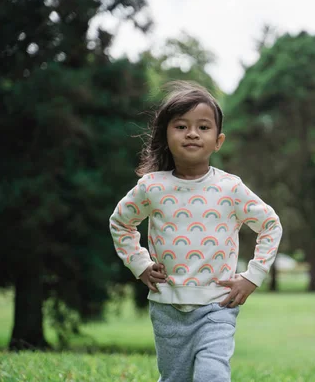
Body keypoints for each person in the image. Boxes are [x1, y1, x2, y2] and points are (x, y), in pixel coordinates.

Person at [109, 81, 282, 382]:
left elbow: (270, 225)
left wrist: (252, 276)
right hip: (167, 306)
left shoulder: (231, 188)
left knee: (211, 375)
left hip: (218, 305)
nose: (192, 133)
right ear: (166, 135)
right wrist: (140, 264)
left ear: (218, 140)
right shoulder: (152, 187)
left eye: (203, 127)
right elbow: (121, 222)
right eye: (181, 126)